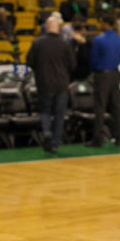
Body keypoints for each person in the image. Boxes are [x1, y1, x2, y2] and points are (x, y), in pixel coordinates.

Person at [26, 15, 75, 153]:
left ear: (46, 27)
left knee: (45, 111)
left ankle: (46, 131)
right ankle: (55, 144)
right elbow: (72, 64)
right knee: (59, 115)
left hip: (44, 83)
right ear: (58, 28)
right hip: (61, 84)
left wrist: (40, 69)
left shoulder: (37, 42)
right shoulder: (65, 43)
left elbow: (29, 62)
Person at [88, 14, 120, 147]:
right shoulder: (119, 39)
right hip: (115, 74)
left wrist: (96, 69)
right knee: (116, 106)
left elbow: (93, 59)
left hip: (102, 74)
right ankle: (119, 137)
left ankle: (97, 139)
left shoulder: (99, 39)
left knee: (100, 107)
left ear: (105, 23)